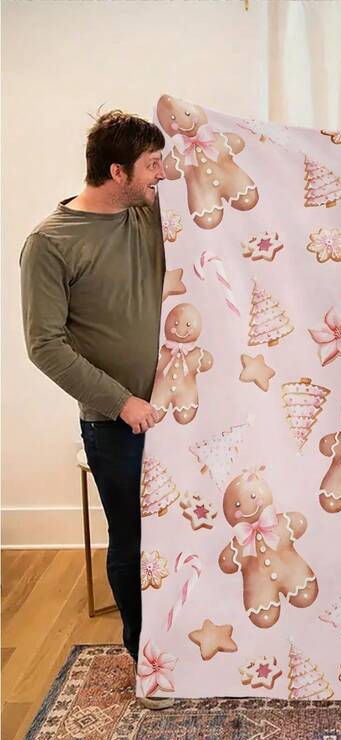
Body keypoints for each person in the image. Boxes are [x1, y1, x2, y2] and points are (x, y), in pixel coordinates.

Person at [20, 110, 170, 708]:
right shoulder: (51, 243)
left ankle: (188, 646)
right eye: (152, 165)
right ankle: (147, 662)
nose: (162, 174)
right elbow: (44, 345)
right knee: (132, 541)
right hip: (116, 424)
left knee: (187, 536)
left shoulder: (149, 213)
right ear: (117, 172)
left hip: (183, 415)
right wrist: (121, 401)